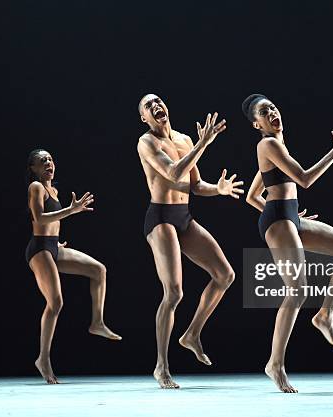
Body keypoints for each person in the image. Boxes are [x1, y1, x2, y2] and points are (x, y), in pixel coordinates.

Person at [242, 94, 333, 393]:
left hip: (288, 217)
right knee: (297, 291)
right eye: (263, 112)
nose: (271, 112)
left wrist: (289, 213)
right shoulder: (267, 144)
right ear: (257, 124)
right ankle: (275, 364)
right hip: (279, 220)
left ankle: (325, 315)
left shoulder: (276, 147)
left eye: (272, 107)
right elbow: (305, 179)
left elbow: (252, 195)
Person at [136, 94, 244, 388]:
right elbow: (172, 171)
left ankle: (192, 333)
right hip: (159, 218)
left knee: (225, 275)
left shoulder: (184, 139)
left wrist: (218, 189)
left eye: (158, 101)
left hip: (183, 216)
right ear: (144, 117)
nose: (156, 106)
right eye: (148, 106)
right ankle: (161, 366)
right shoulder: (146, 143)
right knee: (173, 293)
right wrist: (203, 145)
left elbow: (195, 185)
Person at [26, 149, 121, 384]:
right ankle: (43, 359)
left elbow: (53, 222)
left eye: (50, 159)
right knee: (55, 302)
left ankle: (97, 322)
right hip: (39, 249)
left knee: (98, 270)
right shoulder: (35, 187)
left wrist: (57, 240)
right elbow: (39, 219)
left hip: (54, 247)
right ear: (33, 169)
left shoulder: (54, 190)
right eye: (42, 161)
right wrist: (71, 210)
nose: (48, 163)